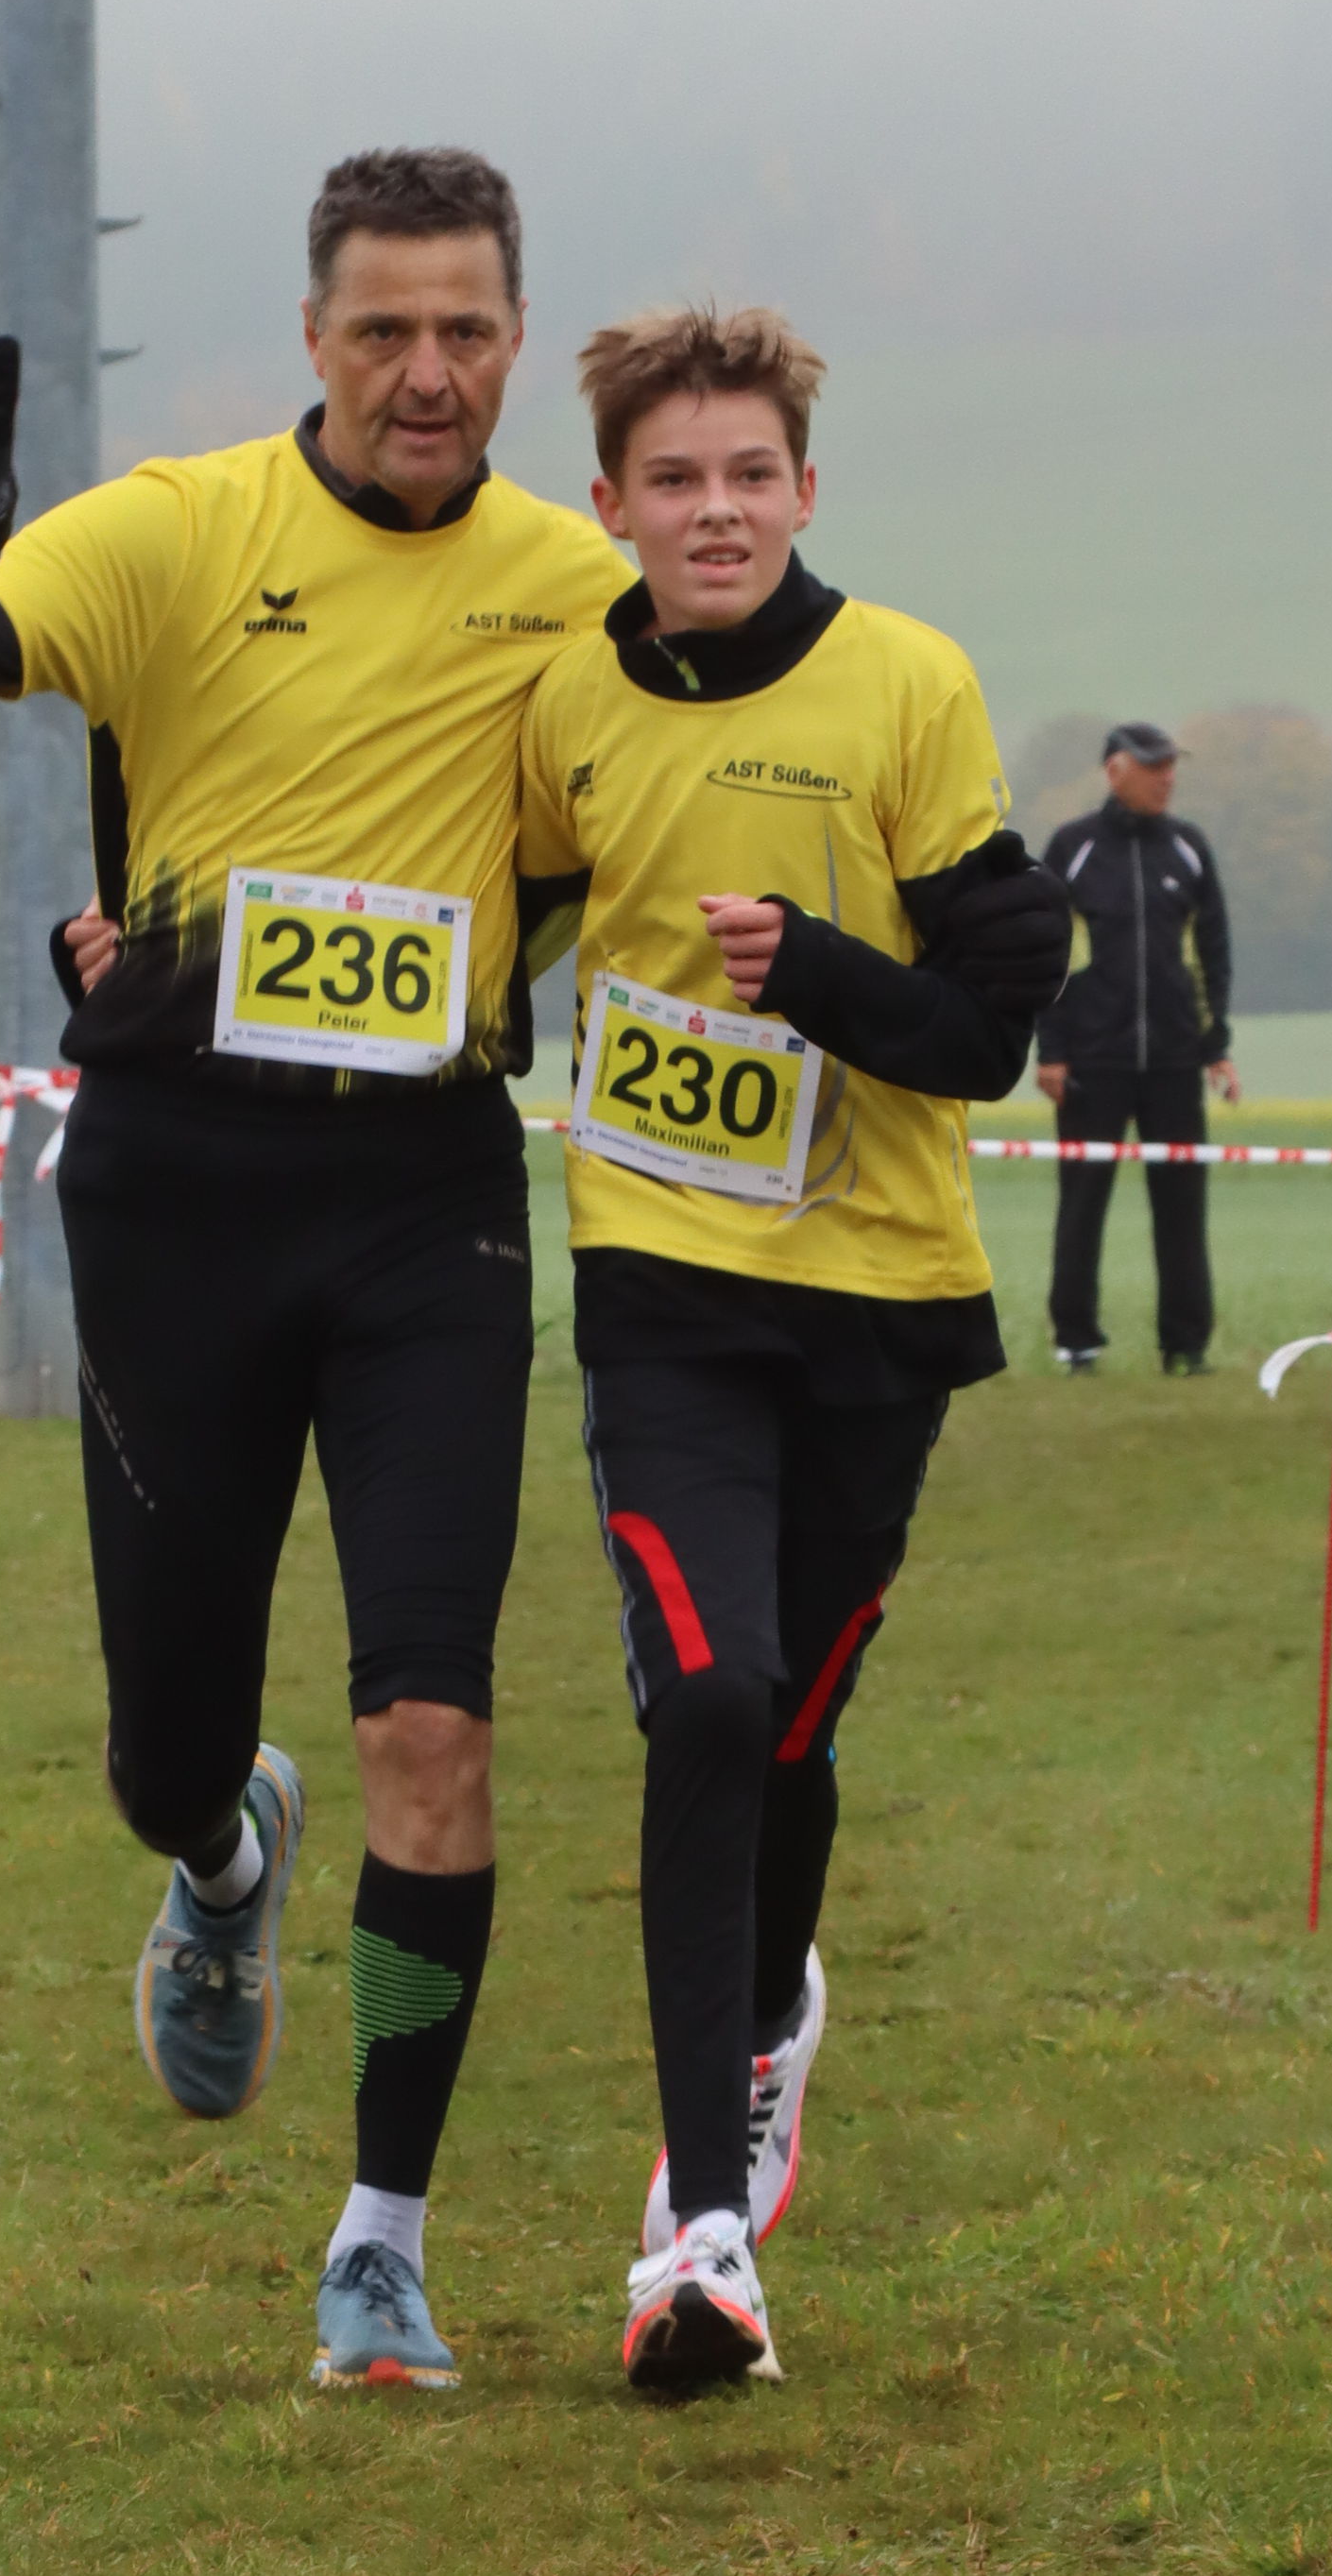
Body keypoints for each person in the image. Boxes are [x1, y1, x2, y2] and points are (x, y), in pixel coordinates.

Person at [0, 145, 628, 2393]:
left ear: (516, 342)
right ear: (312, 336)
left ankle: (381, 2239)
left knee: (431, 1720)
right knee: (163, 1747)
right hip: (176, 1194)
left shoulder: (581, 595)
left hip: (426, 1198)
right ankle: (222, 1858)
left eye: (466, 329)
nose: (426, 371)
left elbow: (681, 811)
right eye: (384, 328)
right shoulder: (174, 532)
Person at [517, 308, 1068, 2395]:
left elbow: (981, 1044)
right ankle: (702, 2231)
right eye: (674, 479)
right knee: (709, 1694)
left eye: (750, 474)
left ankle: (766, 2032)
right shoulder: (568, 698)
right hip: (660, 1274)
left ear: (806, 491)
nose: (717, 511)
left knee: (793, 1729)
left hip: (878, 1294)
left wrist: (823, 971)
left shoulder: (908, 684)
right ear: (612, 506)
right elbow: (482, 939)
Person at [1034, 725, 1239, 1375]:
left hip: (1175, 1063)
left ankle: (1186, 1346)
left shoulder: (1189, 848)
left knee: (1183, 1210)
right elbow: (1048, 957)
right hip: (1090, 1063)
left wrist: (1215, 1046)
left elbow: (1212, 954)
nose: (1167, 778)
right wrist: (1051, 1050)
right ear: (1115, 770)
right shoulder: (1071, 849)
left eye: (1172, 766)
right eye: (1154, 767)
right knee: (1081, 1207)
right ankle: (1078, 1343)